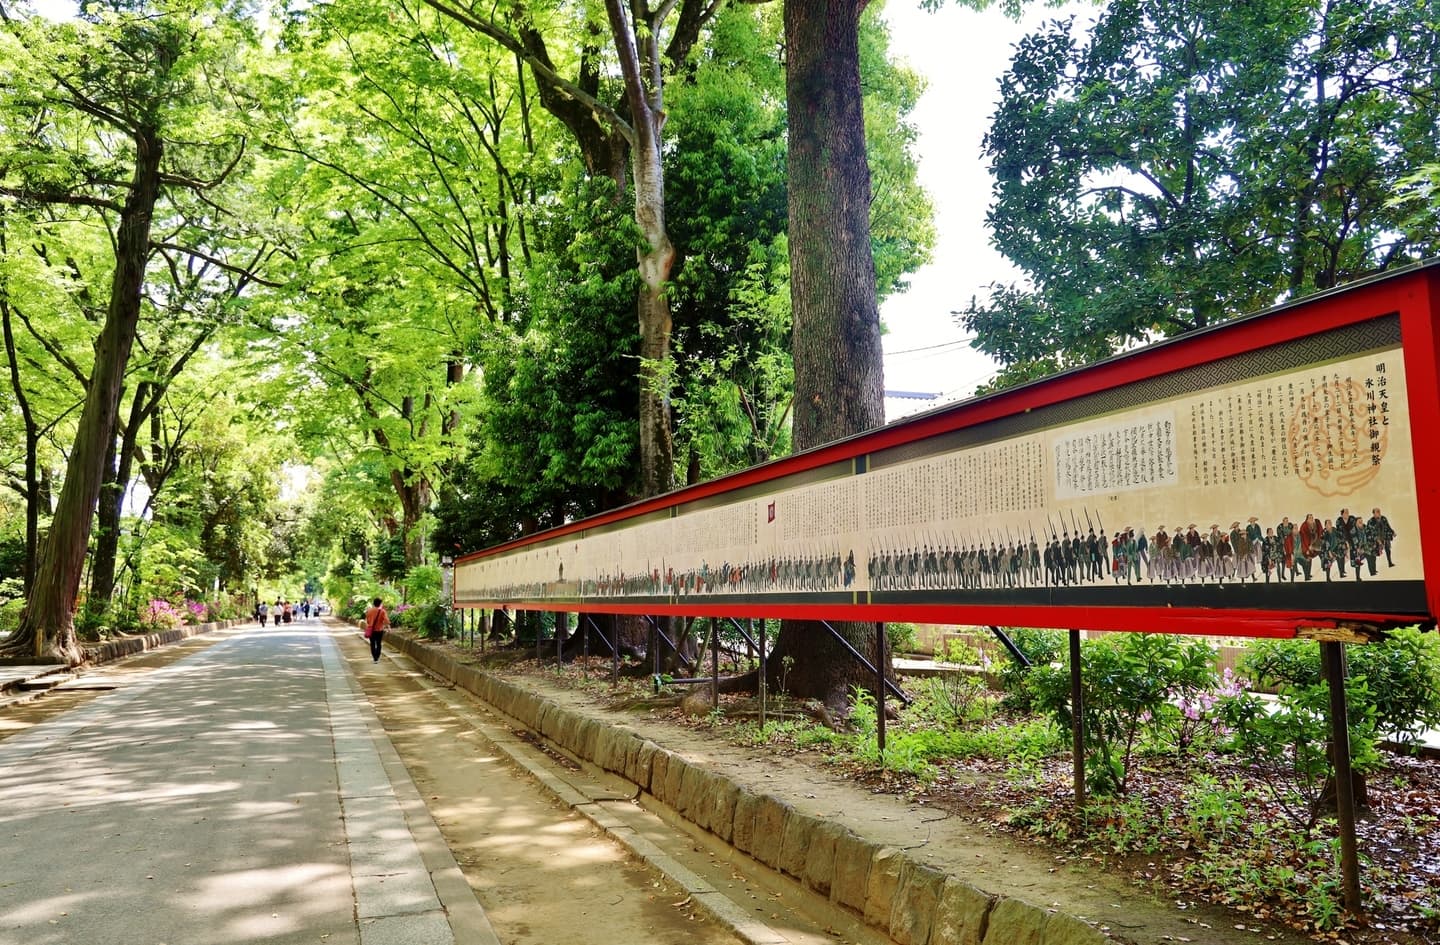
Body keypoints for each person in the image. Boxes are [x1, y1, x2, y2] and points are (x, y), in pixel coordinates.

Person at [364, 597, 389, 663]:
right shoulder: (382, 611)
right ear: (380, 604)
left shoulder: (369, 611)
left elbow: (368, 621)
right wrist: (388, 627)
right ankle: (377, 657)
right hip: (379, 630)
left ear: (374, 603)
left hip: (371, 630)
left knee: (372, 644)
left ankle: (374, 657)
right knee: (378, 644)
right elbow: (386, 621)